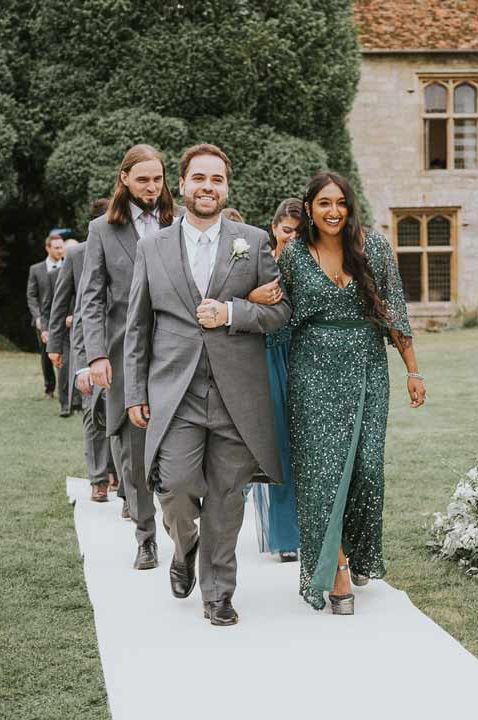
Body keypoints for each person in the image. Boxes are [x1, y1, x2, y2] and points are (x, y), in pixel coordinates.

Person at [124, 143, 291, 626]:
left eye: (216, 180)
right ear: (183, 184)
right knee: (173, 486)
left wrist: (233, 312)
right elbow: (136, 328)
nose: (207, 187)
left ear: (226, 187)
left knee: (227, 496)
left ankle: (218, 592)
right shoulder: (151, 247)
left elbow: (279, 311)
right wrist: (135, 392)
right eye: (199, 178)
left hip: (238, 394)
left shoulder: (252, 240)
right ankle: (185, 545)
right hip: (175, 394)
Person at [278, 171, 426, 615]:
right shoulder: (293, 255)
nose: (333, 211)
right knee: (324, 472)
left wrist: (413, 371)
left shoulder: (373, 247)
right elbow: (281, 313)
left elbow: (394, 306)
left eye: (340, 202)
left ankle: (358, 551)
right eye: (324, 203)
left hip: (365, 367)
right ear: (309, 208)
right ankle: (337, 570)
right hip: (310, 372)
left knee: (365, 470)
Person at [81, 145, 175, 568]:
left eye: (157, 179)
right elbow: (91, 298)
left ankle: (182, 525)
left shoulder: (179, 222)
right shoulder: (102, 230)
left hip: (176, 348)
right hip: (122, 354)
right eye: (143, 179)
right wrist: (97, 354)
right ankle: (145, 535)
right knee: (131, 450)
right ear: (124, 179)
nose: (152, 187)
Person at [248, 198, 303, 562]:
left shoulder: (310, 264)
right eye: (287, 231)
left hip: (304, 359)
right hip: (268, 359)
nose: (293, 239)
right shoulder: (257, 262)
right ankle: (285, 536)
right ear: (273, 227)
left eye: (299, 234)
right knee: (279, 446)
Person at [26, 234, 65, 399]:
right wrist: (38, 318)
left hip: (64, 318)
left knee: (65, 353)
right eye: (56, 247)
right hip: (44, 320)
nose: (60, 250)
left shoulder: (69, 265)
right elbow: (32, 296)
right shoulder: (36, 269)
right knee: (46, 355)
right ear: (48, 248)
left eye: (61, 247)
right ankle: (49, 388)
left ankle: (66, 390)